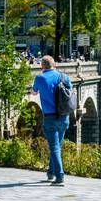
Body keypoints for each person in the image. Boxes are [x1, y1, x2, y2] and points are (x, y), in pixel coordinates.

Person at [32, 55, 72, 186]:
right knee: (57, 146)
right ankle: (51, 172)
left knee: (54, 147)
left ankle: (59, 176)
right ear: (54, 65)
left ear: (42, 66)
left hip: (50, 117)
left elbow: (34, 92)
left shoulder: (40, 78)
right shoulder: (64, 77)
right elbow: (70, 92)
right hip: (64, 117)